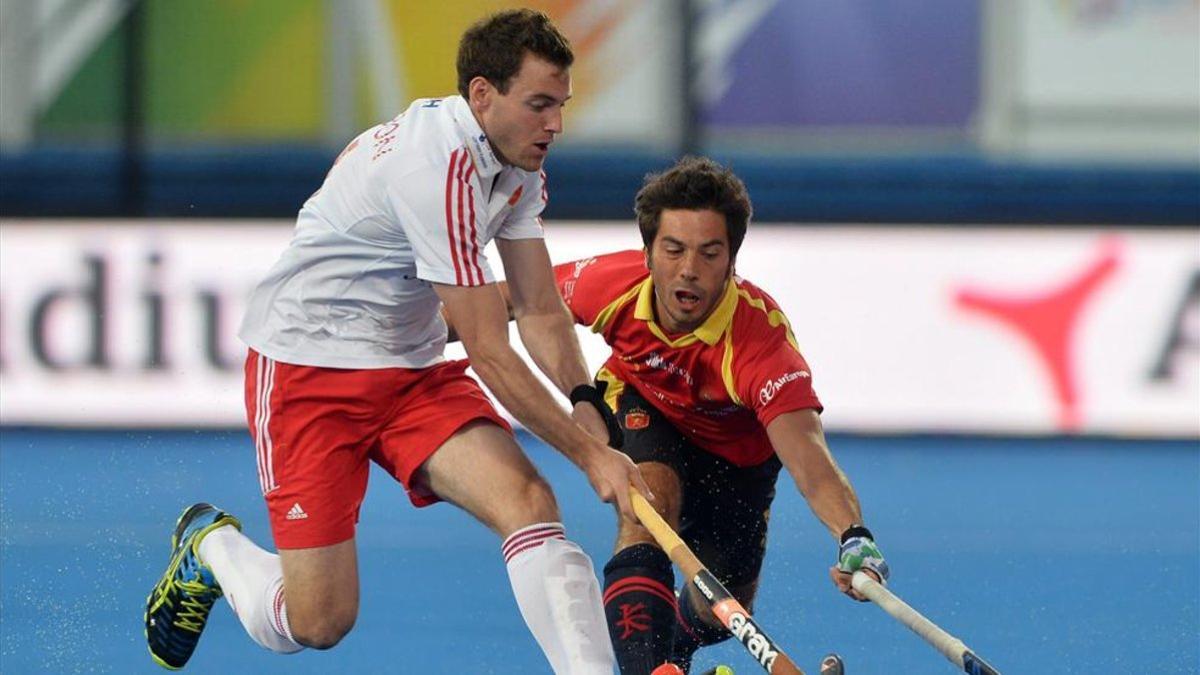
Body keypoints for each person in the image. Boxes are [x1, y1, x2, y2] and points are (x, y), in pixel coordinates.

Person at [144, 9, 648, 673]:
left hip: (408, 371)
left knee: (529, 501)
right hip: (308, 373)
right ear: (481, 95)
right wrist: (591, 455)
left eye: (561, 105)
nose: (555, 124)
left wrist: (585, 397)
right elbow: (491, 350)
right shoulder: (434, 167)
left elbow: (536, 304)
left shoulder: (518, 163)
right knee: (319, 622)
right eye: (539, 105)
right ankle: (211, 545)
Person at [547, 156, 889, 674]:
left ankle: (673, 659)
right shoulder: (611, 283)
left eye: (710, 253)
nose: (689, 269)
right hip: (645, 408)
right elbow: (513, 301)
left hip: (739, 459)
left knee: (720, 609)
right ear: (648, 253)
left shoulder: (761, 346)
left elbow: (808, 459)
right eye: (674, 250)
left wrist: (852, 536)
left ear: (732, 260)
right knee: (648, 508)